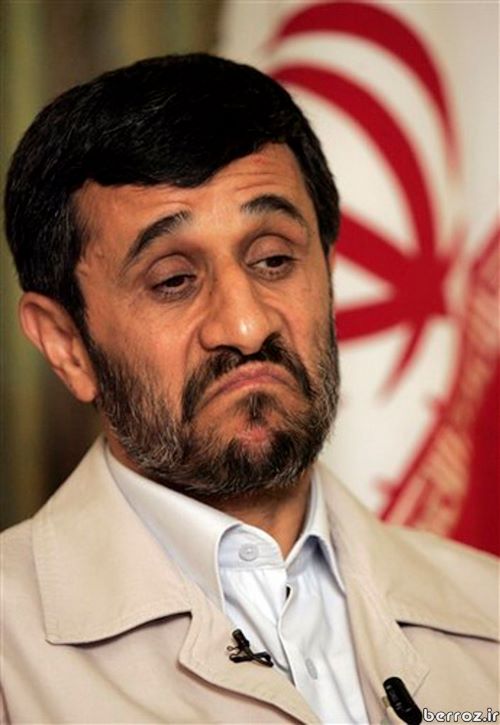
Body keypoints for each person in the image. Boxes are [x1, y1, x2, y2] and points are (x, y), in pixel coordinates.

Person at [1, 53, 498, 725]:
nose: (245, 324)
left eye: (273, 259)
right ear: (67, 344)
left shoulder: (488, 611)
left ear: (327, 273)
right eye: (173, 280)